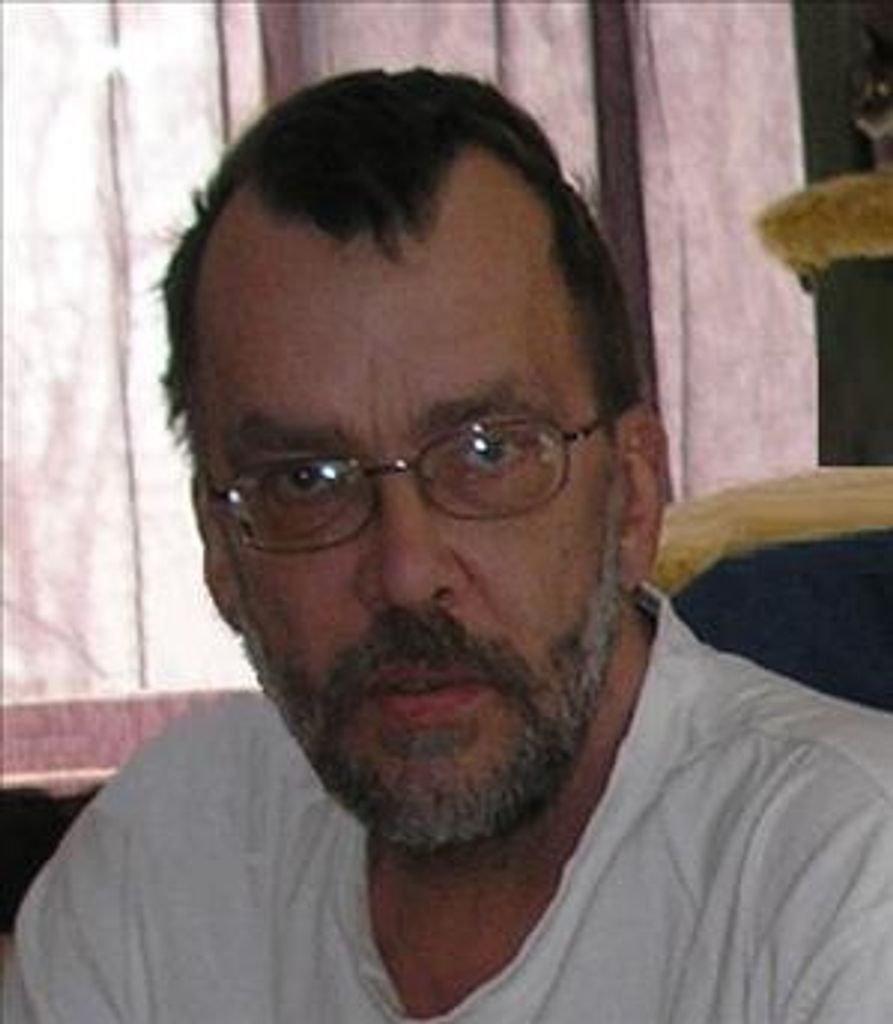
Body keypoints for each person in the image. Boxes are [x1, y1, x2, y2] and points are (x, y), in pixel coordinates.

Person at [4, 68, 892, 1023]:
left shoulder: (848, 873)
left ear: (632, 494)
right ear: (219, 546)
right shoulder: (166, 861)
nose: (405, 571)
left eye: (487, 453)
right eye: (306, 481)